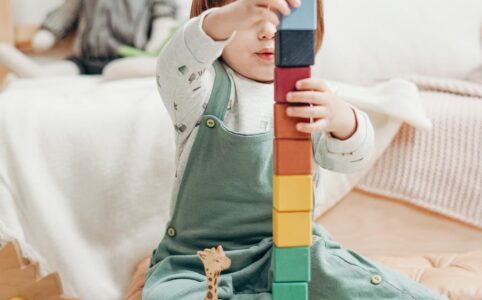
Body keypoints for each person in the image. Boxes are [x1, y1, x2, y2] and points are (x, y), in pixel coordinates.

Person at [142, 0, 444, 299]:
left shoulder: (312, 95)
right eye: (251, 16)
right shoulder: (200, 90)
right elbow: (175, 64)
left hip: (290, 247)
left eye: (282, 18)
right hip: (199, 260)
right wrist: (223, 19)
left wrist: (343, 119)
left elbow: (352, 158)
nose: (268, 30)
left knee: (353, 279)